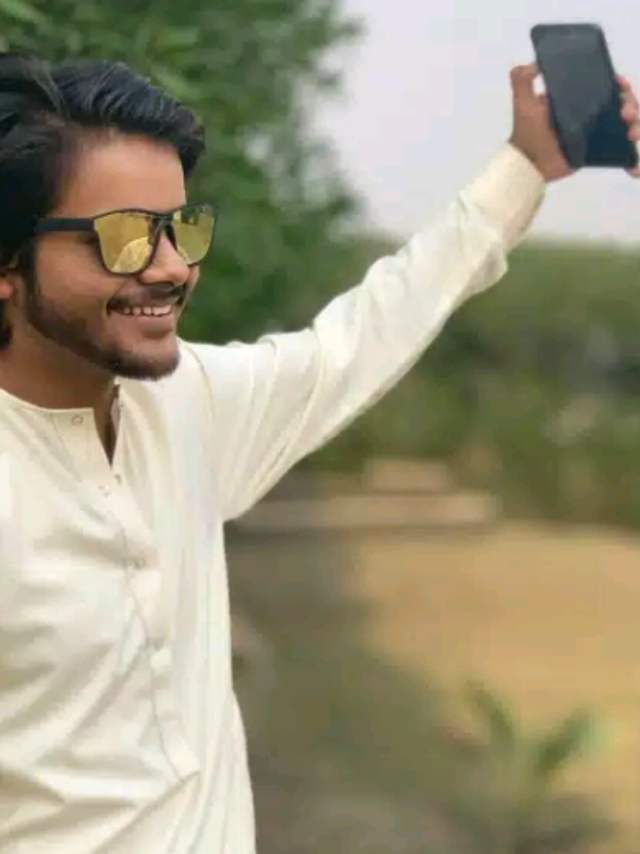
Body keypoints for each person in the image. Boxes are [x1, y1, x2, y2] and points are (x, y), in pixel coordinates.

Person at [0, 51, 637, 854]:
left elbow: (360, 339)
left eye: (179, 229)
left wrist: (526, 167)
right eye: (123, 237)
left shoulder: (187, 405)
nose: (171, 269)